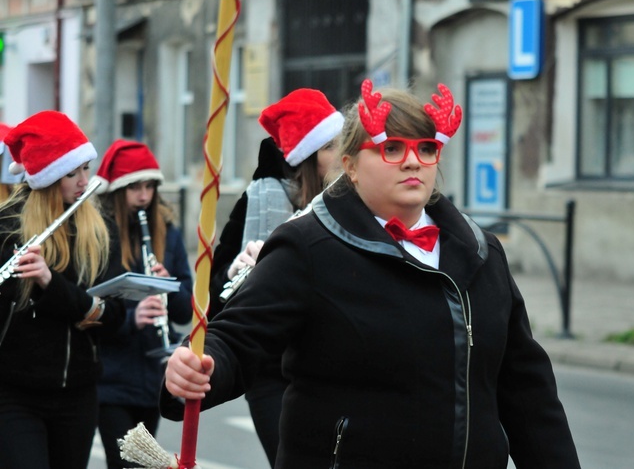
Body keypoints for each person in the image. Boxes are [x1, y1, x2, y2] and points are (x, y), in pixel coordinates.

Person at [162, 80, 580, 468]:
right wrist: (197, 366)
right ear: (351, 166)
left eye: (427, 149)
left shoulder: (481, 251)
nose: (413, 162)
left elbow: (527, 390)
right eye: (391, 148)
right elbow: (237, 337)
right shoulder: (308, 246)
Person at [207, 88, 343, 465]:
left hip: (329, 366)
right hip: (271, 370)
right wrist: (239, 274)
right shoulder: (259, 199)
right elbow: (217, 292)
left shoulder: (351, 206)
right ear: (308, 156)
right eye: (332, 146)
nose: (344, 156)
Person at [0, 111, 126, 469]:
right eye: (73, 173)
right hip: (13, 392)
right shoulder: (8, 228)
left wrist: (50, 284)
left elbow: (113, 316)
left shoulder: (100, 231)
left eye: (86, 169)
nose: (84, 181)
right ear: (49, 177)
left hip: (78, 393)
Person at [94, 139, 194, 468]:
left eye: (150, 186)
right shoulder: (100, 236)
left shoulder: (167, 231)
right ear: (118, 190)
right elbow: (88, 305)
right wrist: (131, 319)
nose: (144, 196)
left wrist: (170, 288)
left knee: (143, 465)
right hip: (110, 379)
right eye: (134, 187)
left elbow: (183, 312)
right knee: (127, 464)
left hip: (152, 378)